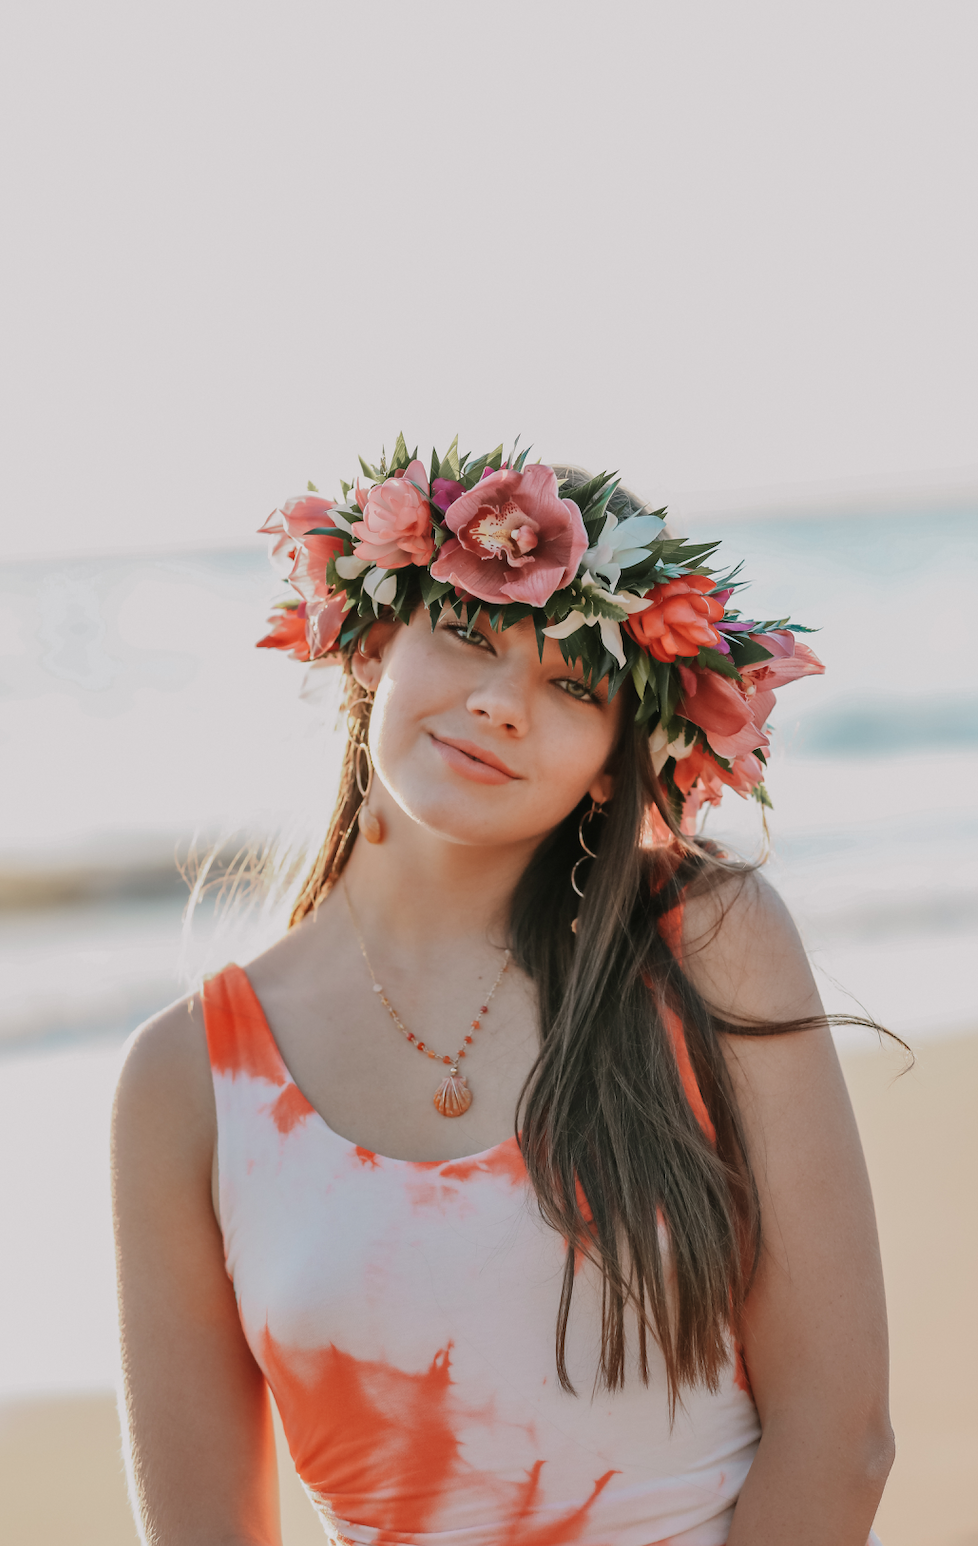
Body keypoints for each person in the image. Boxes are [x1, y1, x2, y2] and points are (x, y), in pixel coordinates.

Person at [112, 438, 894, 1546]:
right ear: (376, 642)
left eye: (572, 684)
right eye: (470, 633)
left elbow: (841, 1432)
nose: (500, 705)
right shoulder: (186, 1078)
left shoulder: (703, 945)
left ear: (621, 754)